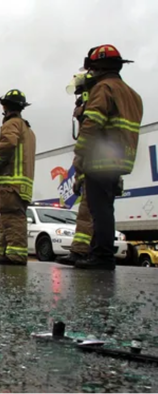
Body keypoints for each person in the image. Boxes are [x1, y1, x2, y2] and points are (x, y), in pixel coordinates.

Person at [72, 45, 143, 270]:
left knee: (99, 209)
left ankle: (102, 256)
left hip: (100, 159)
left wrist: (80, 156)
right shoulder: (133, 94)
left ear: (97, 68)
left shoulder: (103, 89)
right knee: (106, 207)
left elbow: (91, 124)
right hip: (121, 159)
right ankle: (98, 252)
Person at [0, 89, 36, 266]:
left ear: (5, 106)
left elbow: (8, 144)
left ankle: (16, 255)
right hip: (21, 182)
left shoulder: (12, 124)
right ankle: (3, 252)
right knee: (7, 217)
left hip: (10, 180)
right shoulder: (27, 129)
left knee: (12, 217)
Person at [57, 73, 96, 266]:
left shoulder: (91, 107)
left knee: (87, 210)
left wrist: (79, 172)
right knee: (94, 210)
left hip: (92, 164)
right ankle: (88, 251)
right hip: (97, 164)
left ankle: (81, 251)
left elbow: (85, 143)